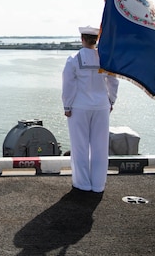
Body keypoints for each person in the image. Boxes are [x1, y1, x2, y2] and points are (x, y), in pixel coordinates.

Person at [62, 26, 119, 193]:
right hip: (101, 106)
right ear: (96, 40)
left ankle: (82, 184)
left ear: (82, 39)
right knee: (100, 147)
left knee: (80, 146)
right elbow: (113, 82)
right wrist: (111, 101)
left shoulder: (74, 59)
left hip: (80, 106)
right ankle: (98, 185)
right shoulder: (106, 58)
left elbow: (68, 85)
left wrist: (67, 105)